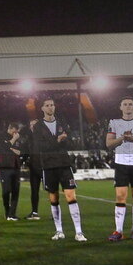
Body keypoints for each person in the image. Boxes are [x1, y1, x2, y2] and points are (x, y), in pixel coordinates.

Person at [31, 99, 86, 241]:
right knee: (54, 198)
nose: (50, 107)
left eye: (52, 105)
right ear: (42, 108)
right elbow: (41, 147)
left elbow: (69, 142)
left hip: (64, 164)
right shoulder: (38, 126)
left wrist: (60, 141)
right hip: (49, 165)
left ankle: (79, 232)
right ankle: (59, 230)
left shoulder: (62, 122)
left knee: (71, 197)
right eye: (47, 105)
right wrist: (57, 141)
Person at [106, 96, 133, 241]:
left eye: (130, 104)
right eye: (124, 104)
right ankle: (118, 231)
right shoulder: (114, 123)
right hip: (121, 163)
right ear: (120, 107)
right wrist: (123, 138)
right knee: (120, 197)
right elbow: (109, 143)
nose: (127, 106)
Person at [0, 123, 23, 221]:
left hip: (16, 167)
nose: (16, 133)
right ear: (10, 129)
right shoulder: (0, 137)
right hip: (5, 167)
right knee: (6, 191)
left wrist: (12, 148)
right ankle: (7, 212)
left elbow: (20, 151)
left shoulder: (16, 140)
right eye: (15, 131)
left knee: (16, 191)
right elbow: (3, 149)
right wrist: (13, 141)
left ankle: (12, 214)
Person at [21, 118, 43, 220]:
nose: (31, 127)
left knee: (51, 190)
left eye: (33, 125)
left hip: (45, 167)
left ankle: (55, 212)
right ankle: (34, 212)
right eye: (31, 125)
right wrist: (22, 162)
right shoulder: (29, 138)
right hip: (34, 168)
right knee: (34, 191)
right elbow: (24, 151)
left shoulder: (44, 136)